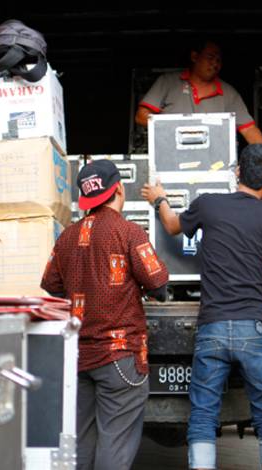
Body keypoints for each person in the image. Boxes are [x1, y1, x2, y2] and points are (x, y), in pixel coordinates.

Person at [141, 144, 262, 470]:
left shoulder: (209, 204)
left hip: (213, 325)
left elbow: (172, 226)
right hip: (254, 326)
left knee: (204, 415)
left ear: (237, 172)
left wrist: (159, 199)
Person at [41, 159, 169, 470]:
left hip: (79, 357)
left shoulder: (67, 237)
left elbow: (51, 285)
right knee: (115, 442)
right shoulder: (129, 232)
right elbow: (158, 284)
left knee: (82, 442)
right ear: (119, 189)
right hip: (119, 356)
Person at [135, 38, 262, 145]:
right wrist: (179, 127)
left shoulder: (229, 93)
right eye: (210, 57)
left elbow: (248, 129)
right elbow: (141, 116)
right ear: (194, 57)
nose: (215, 63)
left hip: (215, 164)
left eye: (218, 60)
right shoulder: (168, 81)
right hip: (170, 158)